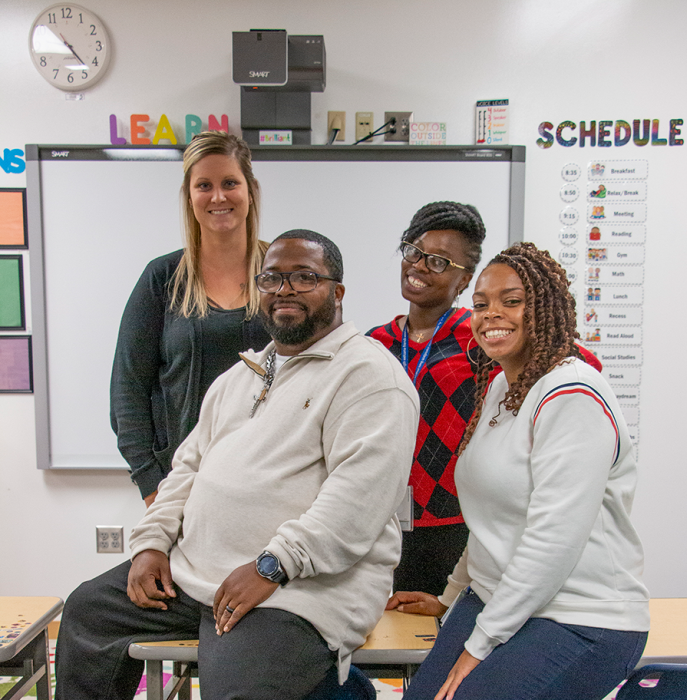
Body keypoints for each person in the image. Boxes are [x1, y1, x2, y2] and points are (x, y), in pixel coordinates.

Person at [56, 230, 420, 700]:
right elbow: (187, 468)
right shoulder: (242, 375)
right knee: (89, 612)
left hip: (297, 588)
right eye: (271, 279)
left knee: (239, 691)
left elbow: (356, 503)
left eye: (304, 277)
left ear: (338, 292)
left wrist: (273, 566)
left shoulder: (370, 377)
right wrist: (151, 544)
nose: (284, 289)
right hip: (196, 576)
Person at [393, 242, 649, 700]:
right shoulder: (499, 387)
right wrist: (450, 598)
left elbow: (552, 542)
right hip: (496, 600)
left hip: (580, 616)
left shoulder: (572, 396)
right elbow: (493, 521)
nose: (492, 314)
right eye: (481, 304)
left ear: (544, 308)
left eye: (511, 301)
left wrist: (481, 642)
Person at [110, 131, 271, 506]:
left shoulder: (281, 273)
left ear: (250, 190)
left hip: (270, 481)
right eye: (204, 185)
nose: (218, 197)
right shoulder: (163, 278)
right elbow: (127, 391)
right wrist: (152, 486)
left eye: (230, 182)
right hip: (182, 484)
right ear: (189, 196)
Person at [368, 201, 489, 596]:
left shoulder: (479, 338)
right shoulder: (374, 343)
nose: (419, 266)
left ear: (465, 279)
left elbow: (570, 360)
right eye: (414, 252)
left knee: (443, 636)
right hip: (380, 519)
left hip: (458, 523)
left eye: (438, 262)